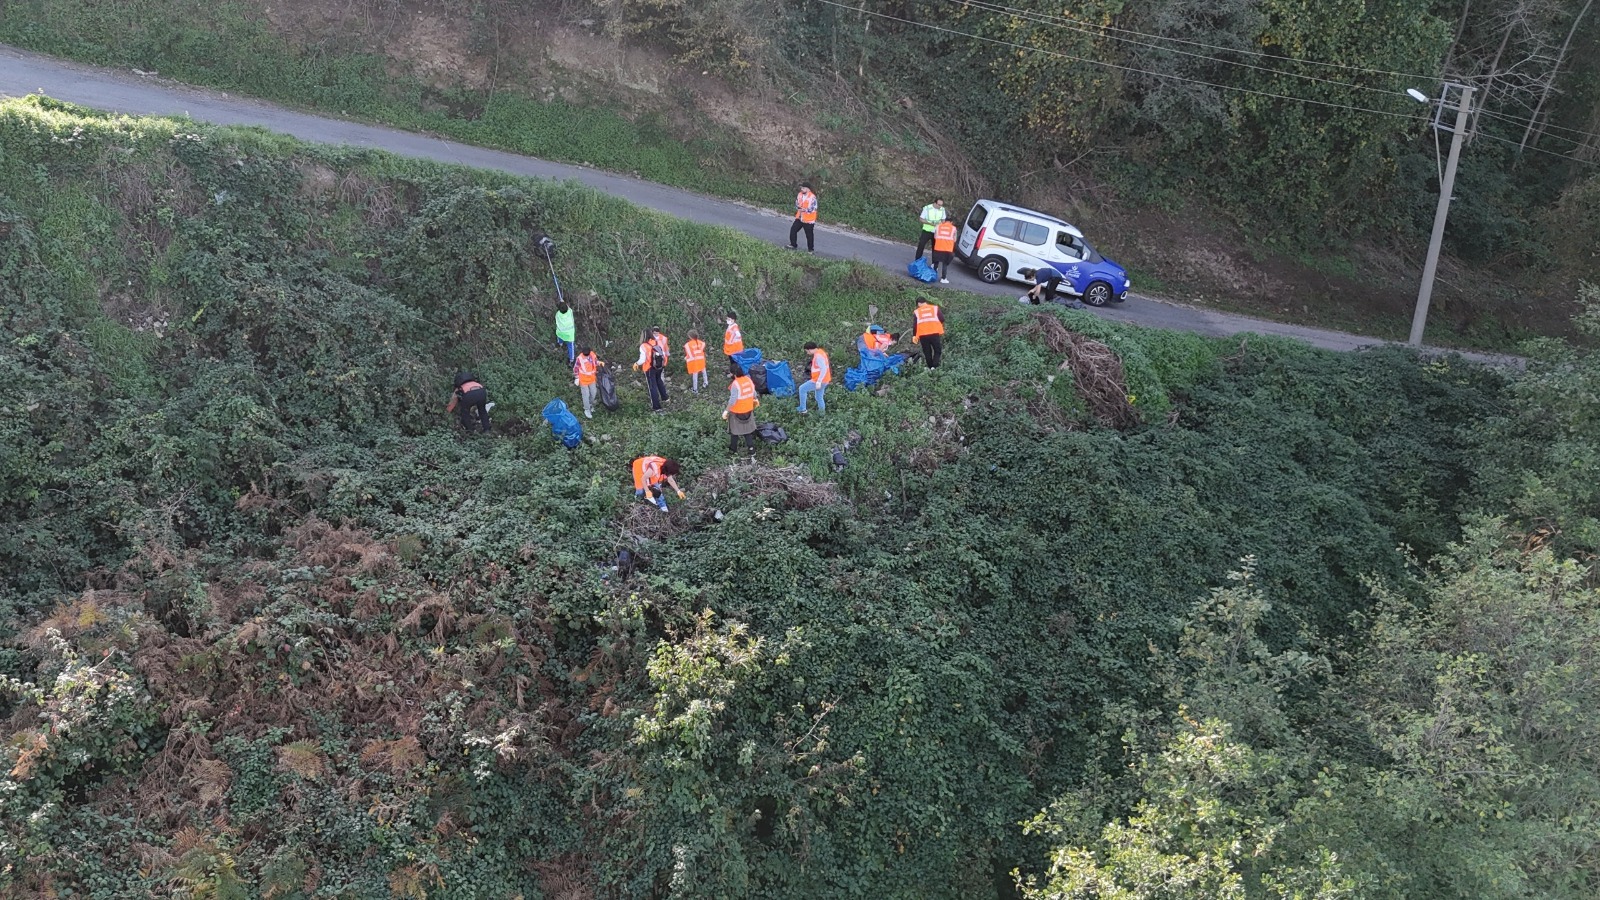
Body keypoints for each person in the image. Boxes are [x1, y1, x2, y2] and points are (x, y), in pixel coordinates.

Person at [722, 358, 760, 453]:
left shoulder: (735, 384)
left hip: (737, 412)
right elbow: (754, 393)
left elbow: (733, 400)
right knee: (747, 431)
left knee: (734, 432)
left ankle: (732, 450)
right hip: (748, 410)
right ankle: (751, 450)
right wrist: (755, 400)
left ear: (734, 374)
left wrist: (726, 411)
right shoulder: (748, 380)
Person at [632, 328, 669, 411]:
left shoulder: (643, 346)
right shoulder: (656, 342)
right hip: (659, 366)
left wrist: (636, 363)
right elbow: (662, 353)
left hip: (649, 368)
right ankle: (665, 398)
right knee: (659, 381)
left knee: (652, 386)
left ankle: (657, 407)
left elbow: (642, 360)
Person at [909, 296, 945, 369]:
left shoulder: (917, 312)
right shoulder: (934, 308)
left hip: (923, 335)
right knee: (937, 350)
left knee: (927, 352)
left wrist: (914, 336)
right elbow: (942, 319)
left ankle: (930, 367)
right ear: (925, 302)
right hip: (934, 333)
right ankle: (934, 367)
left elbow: (915, 325)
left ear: (918, 304)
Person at [797, 343, 831, 414]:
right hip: (825, 379)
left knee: (802, 389)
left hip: (819, 380)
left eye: (807, 351)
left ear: (810, 350)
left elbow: (823, 369)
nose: (807, 353)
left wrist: (818, 381)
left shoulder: (818, 357)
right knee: (819, 397)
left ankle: (802, 409)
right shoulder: (820, 352)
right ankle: (822, 414)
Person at [573, 346, 602, 418]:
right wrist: (577, 378)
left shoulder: (592, 355)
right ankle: (587, 409)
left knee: (593, 393)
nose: (586, 356)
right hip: (583, 380)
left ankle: (590, 405)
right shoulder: (579, 359)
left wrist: (599, 363)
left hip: (592, 379)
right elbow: (575, 369)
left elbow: (595, 362)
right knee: (586, 395)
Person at [788, 182, 817, 253]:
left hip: (808, 220)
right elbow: (797, 203)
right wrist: (798, 207)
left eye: (803, 188)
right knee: (793, 230)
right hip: (800, 217)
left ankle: (811, 250)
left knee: (809, 235)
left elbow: (814, 208)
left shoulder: (812, 197)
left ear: (808, 189)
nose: (801, 189)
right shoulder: (799, 195)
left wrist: (805, 210)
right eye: (801, 188)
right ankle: (793, 245)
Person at [930, 219, 958, 283]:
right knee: (944, 264)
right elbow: (955, 240)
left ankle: (933, 275)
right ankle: (943, 278)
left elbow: (935, 237)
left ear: (945, 221)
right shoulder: (953, 228)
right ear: (951, 222)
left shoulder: (938, 226)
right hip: (947, 249)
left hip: (938, 247)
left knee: (936, 263)